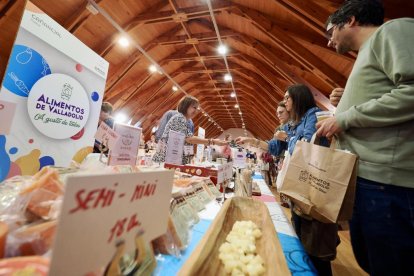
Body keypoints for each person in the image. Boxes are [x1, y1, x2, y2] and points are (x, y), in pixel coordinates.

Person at [317, 1, 414, 275]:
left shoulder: (394, 31)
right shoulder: (367, 52)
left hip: (388, 182)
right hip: (371, 179)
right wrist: (343, 99)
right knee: (372, 260)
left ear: (349, 20)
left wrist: (345, 118)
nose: (329, 42)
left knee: (391, 265)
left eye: (329, 32)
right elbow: (382, 96)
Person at [236, 84, 337, 276]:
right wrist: (254, 141)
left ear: (297, 99)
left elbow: (307, 146)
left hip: (314, 188)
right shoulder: (295, 124)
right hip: (300, 187)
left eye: (287, 98)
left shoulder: (313, 115)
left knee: (316, 246)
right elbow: (275, 147)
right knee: (301, 237)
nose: (285, 101)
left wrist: (288, 137)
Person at [152, 96, 227, 165]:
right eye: (194, 107)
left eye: (197, 108)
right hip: (166, 162)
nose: (196, 111)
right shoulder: (179, 118)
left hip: (171, 162)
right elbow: (189, 139)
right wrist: (212, 141)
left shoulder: (185, 120)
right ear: (185, 106)